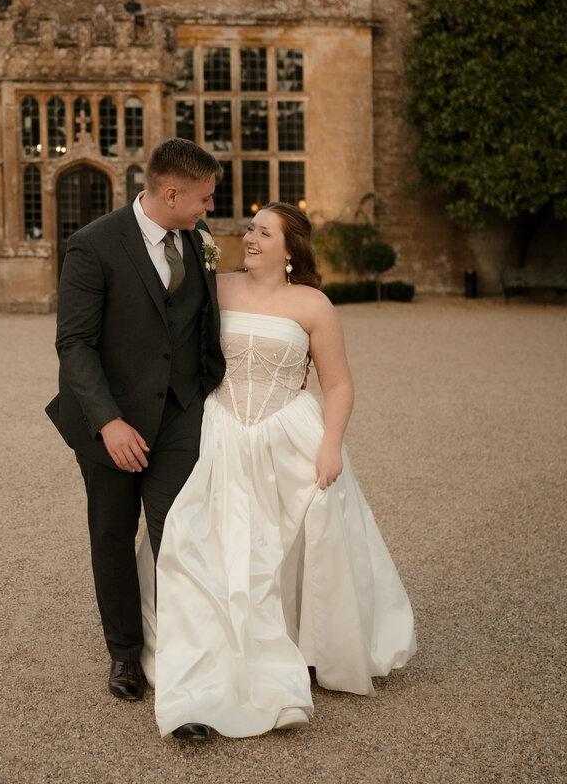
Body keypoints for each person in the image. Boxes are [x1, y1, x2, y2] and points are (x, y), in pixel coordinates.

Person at [139, 202, 417, 741]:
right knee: (203, 542)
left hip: (289, 435)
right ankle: (214, 660)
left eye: (264, 232)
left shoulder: (312, 305)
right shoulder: (215, 287)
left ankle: (296, 644)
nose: (251, 237)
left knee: (283, 547)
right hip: (218, 430)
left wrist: (331, 445)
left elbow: (337, 383)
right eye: (249, 229)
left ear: (290, 250)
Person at [46, 139, 226, 734]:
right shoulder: (93, 245)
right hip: (111, 422)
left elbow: (205, 325)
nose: (209, 208)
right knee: (112, 534)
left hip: (179, 414)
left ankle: (180, 650)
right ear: (171, 193)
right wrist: (108, 421)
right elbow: (74, 344)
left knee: (177, 530)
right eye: (203, 198)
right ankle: (125, 652)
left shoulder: (197, 243)